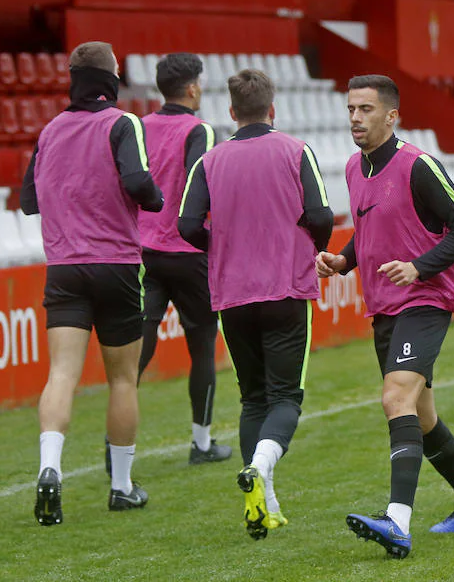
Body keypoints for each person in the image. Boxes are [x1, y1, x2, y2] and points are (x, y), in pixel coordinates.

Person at [317, 75, 454, 559]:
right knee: (421, 414)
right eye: (352, 109)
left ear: (391, 116)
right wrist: (343, 260)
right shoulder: (355, 168)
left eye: (366, 109)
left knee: (396, 397)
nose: (355, 117)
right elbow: (371, 229)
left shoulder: (419, 166)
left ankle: (397, 521)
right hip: (384, 307)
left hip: (426, 299)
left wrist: (419, 267)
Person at [178, 69, 333, 540]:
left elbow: (186, 225)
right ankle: (262, 469)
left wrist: (222, 244)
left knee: (252, 399)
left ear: (230, 113)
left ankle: (261, 505)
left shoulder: (210, 161)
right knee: (286, 397)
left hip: (234, 292)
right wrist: (310, 244)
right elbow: (321, 213)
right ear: (272, 109)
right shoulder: (295, 150)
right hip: (286, 287)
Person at [21, 41, 164, 525]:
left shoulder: (50, 131)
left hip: (63, 266)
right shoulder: (123, 124)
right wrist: (159, 199)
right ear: (112, 78)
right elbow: (138, 183)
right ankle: (122, 488)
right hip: (117, 265)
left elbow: (28, 201)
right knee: (122, 378)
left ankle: (49, 468)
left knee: (61, 374)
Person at [137, 52, 231, 464]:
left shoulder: (138, 126)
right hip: (188, 251)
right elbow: (201, 187)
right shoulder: (200, 130)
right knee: (202, 345)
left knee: (138, 346)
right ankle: (202, 442)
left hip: (144, 250)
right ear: (193, 87)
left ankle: (114, 443)